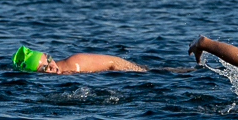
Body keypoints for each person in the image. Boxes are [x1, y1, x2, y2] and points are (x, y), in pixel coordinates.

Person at [11, 46, 146, 73]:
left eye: (49, 59)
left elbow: (114, 62)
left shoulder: (75, 63)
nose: (52, 65)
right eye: (44, 68)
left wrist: (142, 71)